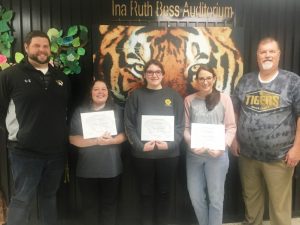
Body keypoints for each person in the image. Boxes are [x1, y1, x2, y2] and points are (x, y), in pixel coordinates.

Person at [0, 31, 70, 225]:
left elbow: (65, 111)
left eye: (45, 46)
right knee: (22, 199)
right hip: (24, 152)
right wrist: (19, 137)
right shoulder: (9, 76)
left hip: (56, 153)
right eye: (37, 45)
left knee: (49, 197)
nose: (42, 50)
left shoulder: (61, 77)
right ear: (26, 47)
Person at [231, 37, 300, 225]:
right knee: (251, 200)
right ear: (257, 56)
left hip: (279, 156)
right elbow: (235, 111)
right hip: (247, 155)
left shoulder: (292, 81)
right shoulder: (246, 81)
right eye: (263, 52)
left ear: (279, 55)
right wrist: (235, 138)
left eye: (271, 51)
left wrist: (297, 148)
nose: (267, 55)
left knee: (279, 206)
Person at [124, 59, 185, 225]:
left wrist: (170, 145)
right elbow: (129, 125)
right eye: (150, 72)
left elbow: (180, 126)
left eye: (157, 72)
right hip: (143, 155)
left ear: (163, 74)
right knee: (145, 194)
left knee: (165, 193)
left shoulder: (174, 96)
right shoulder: (135, 95)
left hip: (169, 155)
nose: (154, 75)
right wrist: (140, 146)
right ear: (144, 75)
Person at [183, 65, 236, 225]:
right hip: (194, 156)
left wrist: (222, 146)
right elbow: (185, 128)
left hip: (217, 156)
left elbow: (231, 127)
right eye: (201, 78)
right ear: (196, 81)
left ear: (213, 78)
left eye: (208, 78)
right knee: (196, 197)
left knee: (216, 199)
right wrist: (192, 143)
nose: (205, 82)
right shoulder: (189, 100)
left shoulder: (224, 99)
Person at [69, 79, 126, 225]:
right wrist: (96, 141)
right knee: (89, 208)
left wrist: (111, 141)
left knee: (109, 206)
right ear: (90, 93)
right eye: (96, 89)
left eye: (104, 89)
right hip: (87, 169)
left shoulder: (117, 111)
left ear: (108, 93)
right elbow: (73, 139)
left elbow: (124, 135)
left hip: (111, 168)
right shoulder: (80, 111)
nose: (100, 92)